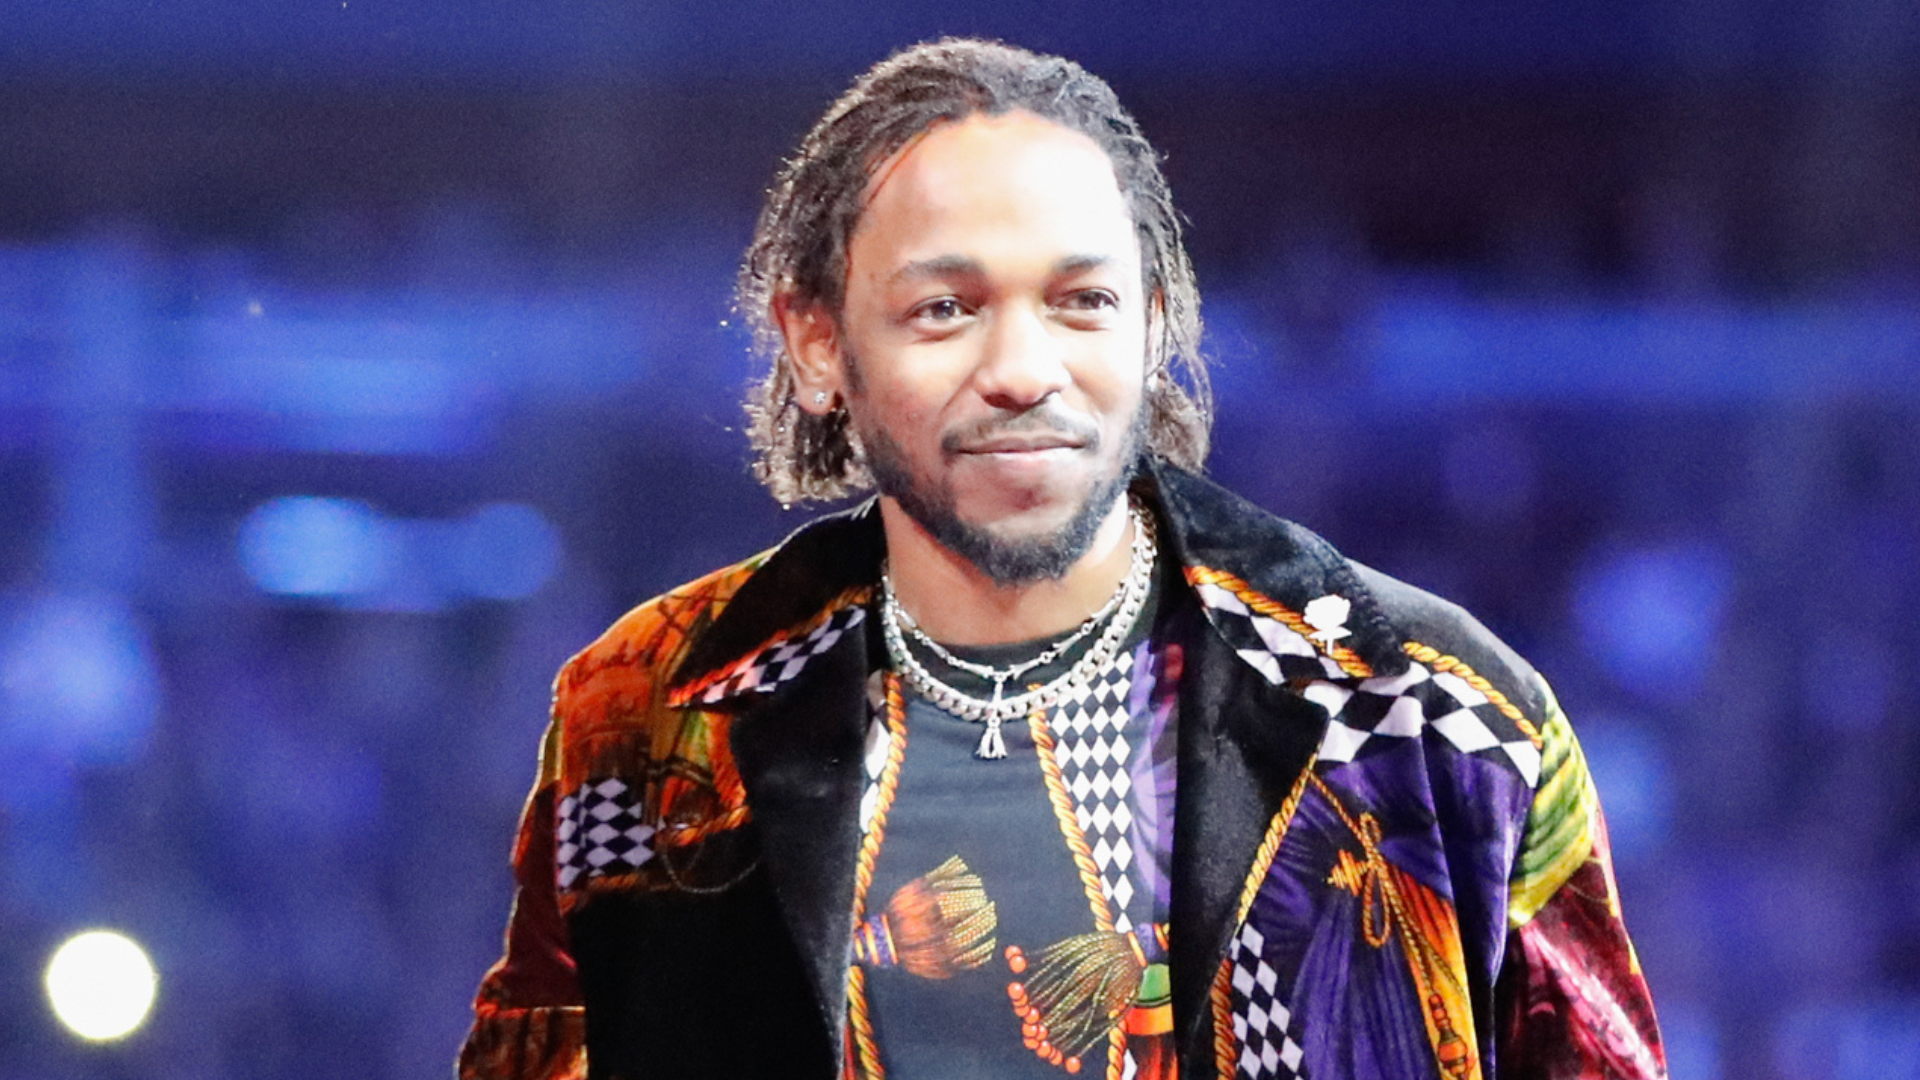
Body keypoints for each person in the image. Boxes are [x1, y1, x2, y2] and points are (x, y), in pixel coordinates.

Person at [459, 38, 1665, 1080]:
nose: (1023, 368)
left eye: (1081, 302)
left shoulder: (1434, 717)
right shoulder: (649, 715)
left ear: (1154, 327)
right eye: (947, 308)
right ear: (818, 342)